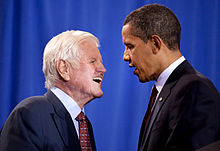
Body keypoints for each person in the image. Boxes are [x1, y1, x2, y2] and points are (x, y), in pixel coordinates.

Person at [122, 4, 220, 151]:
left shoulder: (194, 90)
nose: (125, 56)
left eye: (130, 46)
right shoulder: (168, 90)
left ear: (155, 44)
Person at [0, 30, 106, 151]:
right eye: (93, 61)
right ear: (64, 68)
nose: (103, 69)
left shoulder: (84, 124)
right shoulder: (30, 113)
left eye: (101, 63)